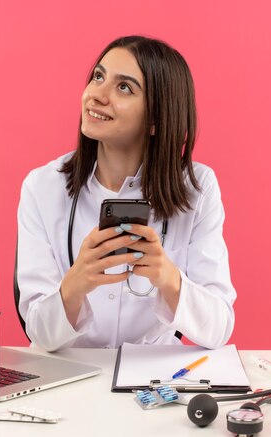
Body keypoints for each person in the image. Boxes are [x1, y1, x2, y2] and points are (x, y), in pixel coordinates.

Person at [17, 35, 236, 351]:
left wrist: (169, 279)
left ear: (156, 119)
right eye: (98, 76)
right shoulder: (41, 186)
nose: (97, 95)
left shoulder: (197, 189)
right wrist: (74, 286)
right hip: (68, 376)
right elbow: (39, 333)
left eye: (124, 87)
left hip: (152, 377)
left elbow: (218, 329)